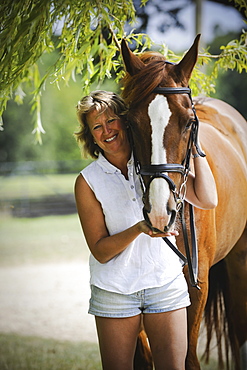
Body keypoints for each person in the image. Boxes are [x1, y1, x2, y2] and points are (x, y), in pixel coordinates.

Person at [74, 90, 218, 370]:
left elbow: (208, 199)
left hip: (164, 285)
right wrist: (140, 228)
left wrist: (194, 141)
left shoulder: (155, 167)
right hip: (114, 291)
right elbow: (101, 251)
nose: (107, 131)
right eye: (97, 127)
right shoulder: (87, 182)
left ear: (127, 123)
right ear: (90, 136)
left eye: (112, 120)